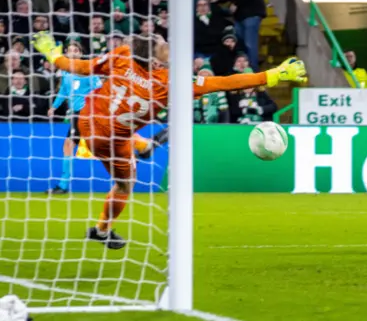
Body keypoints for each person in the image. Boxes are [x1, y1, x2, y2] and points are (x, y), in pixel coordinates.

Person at [31, 31, 307, 250]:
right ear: (154, 59)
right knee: (125, 183)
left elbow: (81, 67)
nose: (166, 43)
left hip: (88, 121)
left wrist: (54, 56)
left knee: (123, 139)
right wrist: (272, 75)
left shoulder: (123, 55)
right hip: (110, 139)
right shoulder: (169, 82)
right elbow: (222, 83)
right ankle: (102, 229)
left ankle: (144, 146)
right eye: (162, 43)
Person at [46, 42, 103, 194]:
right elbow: (63, 91)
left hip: (86, 113)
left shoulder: (88, 70)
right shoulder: (66, 72)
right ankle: (62, 185)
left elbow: (100, 89)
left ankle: (63, 186)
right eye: (70, 50)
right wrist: (54, 107)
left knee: (69, 145)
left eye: (76, 50)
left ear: (80, 53)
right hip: (76, 113)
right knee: (70, 146)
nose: (73, 53)